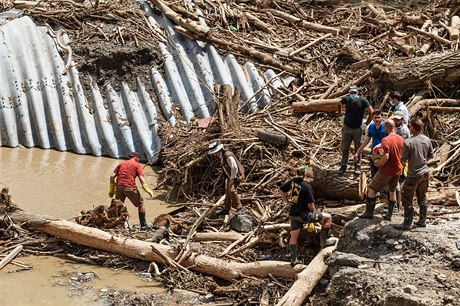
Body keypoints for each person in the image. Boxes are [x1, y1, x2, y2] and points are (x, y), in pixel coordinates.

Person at [279, 165, 336, 266]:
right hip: (305, 215)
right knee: (328, 218)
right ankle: (324, 242)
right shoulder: (307, 187)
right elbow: (311, 205)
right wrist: (315, 212)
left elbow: (281, 190)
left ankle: (293, 259)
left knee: (294, 235)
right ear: (306, 174)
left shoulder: (292, 181)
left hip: (293, 213)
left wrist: (287, 202)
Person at [359, 119, 403, 220]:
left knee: (371, 188)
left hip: (386, 170)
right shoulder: (400, 138)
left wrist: (378, 163)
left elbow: (386, 156)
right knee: (392, 191)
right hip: (397, 170)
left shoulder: (386, 140)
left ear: (386, 128)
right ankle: (389, 215)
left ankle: (369, 213)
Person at [395, 118, 434, 230]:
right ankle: (422, 220)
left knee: (406, 196)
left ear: (412, 127)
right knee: (422, 196)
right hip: (425, 172)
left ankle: (407, 223)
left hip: (414, 174)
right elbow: (431, 156)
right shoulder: (427, 139)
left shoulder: (408, 142)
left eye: (410, 126)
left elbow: (403, 160)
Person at [109, 152, 154, 230]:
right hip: (129, 187)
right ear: (137, 158)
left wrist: (111, 189)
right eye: (139, 159)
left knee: (119, 205)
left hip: (119, 187)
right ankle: (143, 225)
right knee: (141, 204)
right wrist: (147, 189)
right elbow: (141, 178)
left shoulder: (121, 164)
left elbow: (112, 176)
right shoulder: (137, 165)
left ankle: (118, 225)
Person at [338, 85, 374, 174]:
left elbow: (371, 112)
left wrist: (366, 124)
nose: (353, 94)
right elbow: (339, 104)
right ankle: (343, 166)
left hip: (357, 129)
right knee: (345, 148)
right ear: (349, 93)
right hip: (346, 127)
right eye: (351, 93)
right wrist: (340, 115)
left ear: (357, 92)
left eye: (354, 93)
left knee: (358, 148)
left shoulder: (363, 101)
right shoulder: (346, 99)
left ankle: (357, 166)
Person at [208, 142, 245, 215]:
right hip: (231, 176)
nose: (214, 154)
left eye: (214, 152)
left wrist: (232, 179)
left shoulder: (227, 155)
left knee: (231, 190)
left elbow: (234, 167)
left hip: (236, 176)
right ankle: (226, 208)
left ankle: (240, 208)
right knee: (228, 191)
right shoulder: (222, 156)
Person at [354, 109, 387, 178]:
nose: (377, 119)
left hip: (383, 155)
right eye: (375, 117)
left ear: (382, 118)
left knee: (382, 176)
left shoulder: (386, 127)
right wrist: (358, 152)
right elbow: (367, 140)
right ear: (372, 118)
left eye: (378, 117)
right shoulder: (371, 126)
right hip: (373, 154)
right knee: (374, 175)